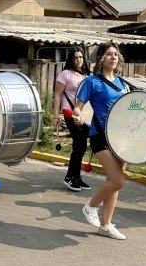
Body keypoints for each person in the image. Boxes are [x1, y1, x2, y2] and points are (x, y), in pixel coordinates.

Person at [73, 42, 128, 240]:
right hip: (100, 135)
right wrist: (78, 116)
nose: (113, 57)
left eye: (116, 54)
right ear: (100, 59)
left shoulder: (123, 83)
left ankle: (105, 225)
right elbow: (78, 107)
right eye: (108, 54)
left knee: (114, 182)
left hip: (120, 136)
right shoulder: (92, 82)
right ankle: (90, 207)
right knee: (118, 179)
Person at [53, 47, 92, 192]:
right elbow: (57, 95)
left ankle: (76, 177)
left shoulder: (87, 75)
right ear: (71, 59)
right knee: (79, 144)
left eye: (81, 57)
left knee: (81, 146)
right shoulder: (65, 74)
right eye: (76, 57)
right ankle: (69, 177)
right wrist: (56, 116)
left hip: (84, 114)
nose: (79, 60)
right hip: (70, 113)